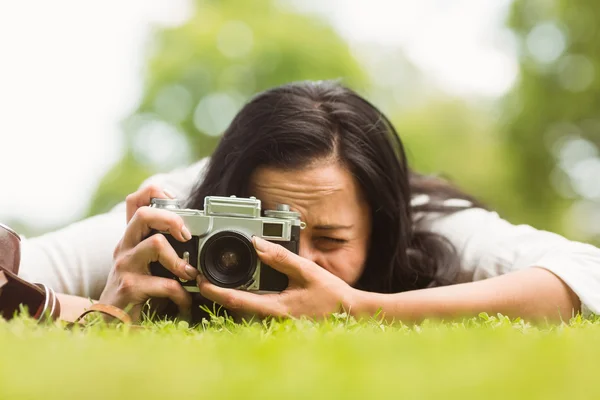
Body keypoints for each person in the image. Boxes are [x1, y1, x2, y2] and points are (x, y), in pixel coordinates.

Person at [17, 81, 600, 323]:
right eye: (271, 231)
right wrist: (105, 309)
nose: (298, 260)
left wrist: (357, 307)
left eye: (332, 240)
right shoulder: (184, 207)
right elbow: (11, 273)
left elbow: (585, 272)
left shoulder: (427, 219)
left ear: (385, 223)